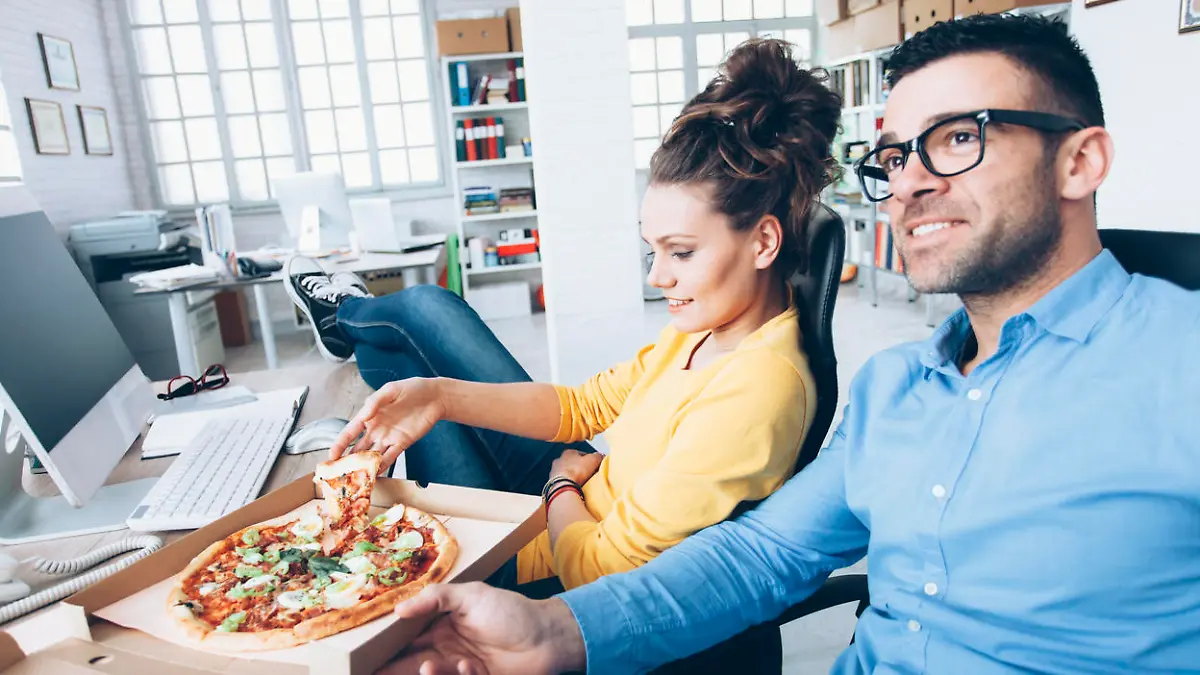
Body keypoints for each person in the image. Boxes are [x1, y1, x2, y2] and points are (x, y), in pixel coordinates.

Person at [380, 14, 1200, 675]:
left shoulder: (1179, 360)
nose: (910, 180)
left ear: (1080, 161)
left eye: (958, 138)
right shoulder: (896, 386)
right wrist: (554, 631)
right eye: (895, 153)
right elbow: (758, 556)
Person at [284, 39, 843, 593]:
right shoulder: (705, 331)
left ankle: (344, 317)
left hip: (528, 566)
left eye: (682, 252)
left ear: (764, 242)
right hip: (574, 496)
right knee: (423, 334)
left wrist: (559, 487)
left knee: (405, 340)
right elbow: (585, 405)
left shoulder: (756, 392)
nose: (657, 278)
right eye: (654, 252)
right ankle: (349, 318)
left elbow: (598, 571)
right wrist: (442, 397)